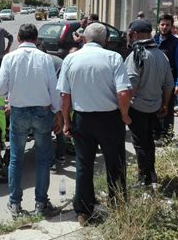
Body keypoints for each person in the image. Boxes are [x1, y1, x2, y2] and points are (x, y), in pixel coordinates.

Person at [57, 23, 132, 226]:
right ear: (105, 40)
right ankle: (118, 206)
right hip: (110, 119)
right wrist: (125, 115)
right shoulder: (114, 57)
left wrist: (67, 121)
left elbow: (64, 96)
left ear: (83, 38)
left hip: (83, 119)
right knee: (115, 164)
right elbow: (123, 92)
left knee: (83, 165)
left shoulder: (71, 59)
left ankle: (83, 211)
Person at [0, 23, 62, 217]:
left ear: (17, 38)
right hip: (42, 113)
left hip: (19, 113)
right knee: (43, 160)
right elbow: (54, 89)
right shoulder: (45, 58)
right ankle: (41, 203)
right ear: (37, 40)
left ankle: (15, 203)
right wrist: (57, 113)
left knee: (16, 159)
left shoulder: (9, 58)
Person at [125, 19, 174, 189]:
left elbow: (130, 86)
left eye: (130, 34)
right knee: (149, 141)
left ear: (135, 34)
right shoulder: (162, 55)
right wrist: (165, 105)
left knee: (140, 143)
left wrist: (124, 109)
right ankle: (151, 174)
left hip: (137, 107)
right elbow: (169, 84)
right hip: (155, 106)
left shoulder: (137, 55)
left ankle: (143, 179)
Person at [153, 14, 178, 145]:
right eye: (162, 24)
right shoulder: (154, 40)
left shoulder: (176, 43)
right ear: (158, 25)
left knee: (167, 109)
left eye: (167, 25)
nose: (164, 27)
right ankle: (155, 133)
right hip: (154, 82)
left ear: (172, 27)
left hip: (170, 82)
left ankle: (166, 136)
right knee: (154, 107)